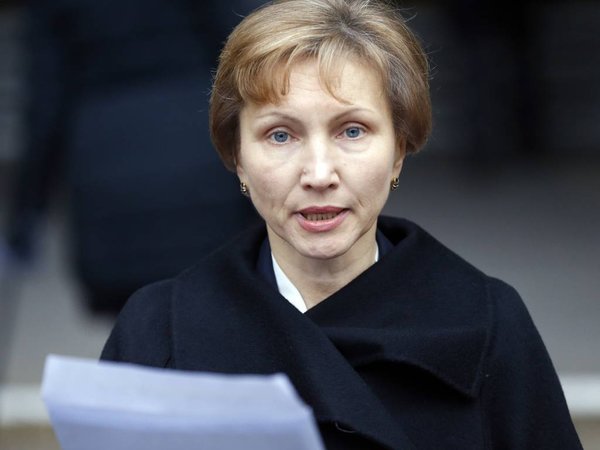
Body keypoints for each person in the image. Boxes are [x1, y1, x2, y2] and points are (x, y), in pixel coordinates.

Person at [101, 0, 583, 448]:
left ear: (399, 149)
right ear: (237, 158)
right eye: (280, 134)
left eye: (351, 130)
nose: (318, 174)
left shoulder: (486, 323)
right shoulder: (159, 330)